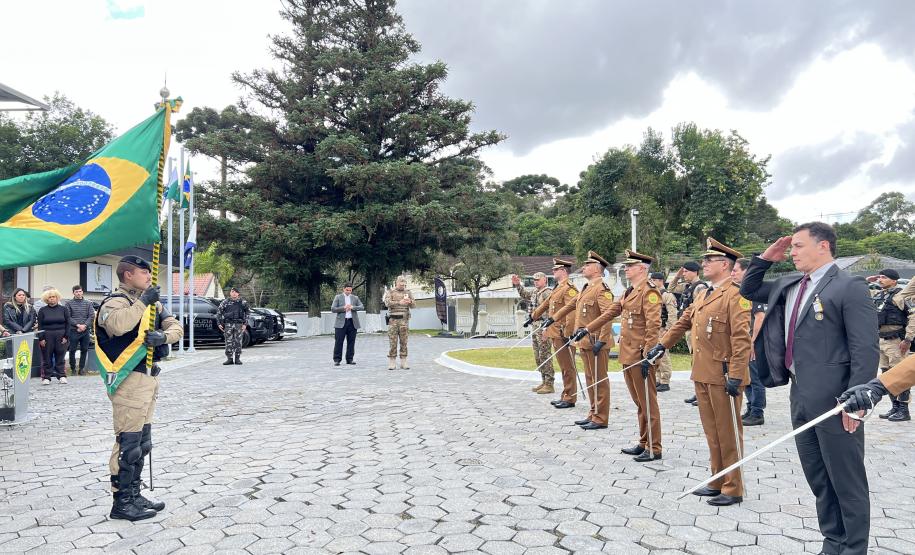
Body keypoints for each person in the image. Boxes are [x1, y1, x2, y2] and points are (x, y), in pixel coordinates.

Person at [740, 223, 878, 555]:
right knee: (818, 476)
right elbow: (749, 289)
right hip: (800, 394)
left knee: (846, 480)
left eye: (799, 246)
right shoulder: (790, 284)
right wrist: (765, 258)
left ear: (824, 246)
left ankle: (853, 548)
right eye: (791, 248)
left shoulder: (848, 286)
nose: (793, 252)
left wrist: (858, 401)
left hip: (837, 400)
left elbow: (865, 348)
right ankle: (833, 542)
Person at [648, 239, 750, 505]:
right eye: (704, 260)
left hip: (725, 374)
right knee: (712, 431)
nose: (703, 264)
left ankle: (733, 487)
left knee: (728, 432)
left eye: (709, 260)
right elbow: (683, 322)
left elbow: (741, 338)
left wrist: (737, 374)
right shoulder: (704, 293)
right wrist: (661, 345)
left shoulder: (736, 294)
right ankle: (717, 479)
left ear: (725, 264)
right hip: (703, 372)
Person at [95, 255, 183, 521]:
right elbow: (119, 325)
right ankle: (121, 503)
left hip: (148, 379)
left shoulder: (151, 303)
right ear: (128, 276)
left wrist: (163, 337)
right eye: (143, 273)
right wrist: (145, 301)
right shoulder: (116, 302)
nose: (149, 276)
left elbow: (176, 326)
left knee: (143, 442)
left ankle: (134, 494)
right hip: (128, 380)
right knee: (128, 443)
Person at [579, 250, 662, 461]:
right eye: (626, 266)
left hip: (640, 355)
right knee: (639, 402)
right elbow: (609, 313)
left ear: (642, 268)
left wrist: (649, 355)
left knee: (647, 403)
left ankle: (654, 447)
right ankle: (644, 442)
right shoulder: (629, 292)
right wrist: (587, 329)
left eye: (630, 266)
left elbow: (654, 325)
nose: (626, 269)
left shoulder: (649, 292)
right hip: (627, 354)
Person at [545, 251, 614, 430]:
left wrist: (603, 339)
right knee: (591, 379)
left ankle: (601, 417)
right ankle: (593, 413)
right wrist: (552, 319)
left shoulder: (602, 289)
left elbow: (608, 315)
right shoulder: (586, 287)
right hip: (585, 341)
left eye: (588, 265)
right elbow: (569, 306)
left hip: (596, 341)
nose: (584, 267)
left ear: (598, 269)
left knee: (599, 379)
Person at [865, 269, 915, 421]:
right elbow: (858, 292)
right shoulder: (879, 295)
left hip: (896, 342)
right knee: (887, 374)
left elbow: (913, 316)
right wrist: (868, 280)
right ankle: (894, 407)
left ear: (894, 280)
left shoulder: (901, 296)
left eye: (884, 277)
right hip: (881, 340)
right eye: (879, 277)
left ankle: (903, 410)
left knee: (900, 375)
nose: (880, 280)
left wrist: (908, 339)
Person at [530, 258, 579, 408]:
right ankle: (566, 394)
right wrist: (534, 315)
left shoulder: (569, 288)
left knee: (568, 367)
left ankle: (570, 397)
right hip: (556, 332)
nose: (552, 272)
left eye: (555, 269)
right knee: (564, 367)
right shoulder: (558, 287)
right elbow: (547, 305)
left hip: (563, 333)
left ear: (563, 271)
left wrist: (568, 333)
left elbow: (572, 311)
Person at [732, 258, 767, 426]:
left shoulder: (755, 290)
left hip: (754, 342)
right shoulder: (741, 291)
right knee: (746, 377)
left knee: (755, 378)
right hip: (745, 342)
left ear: (746, 271)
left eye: (735, 270)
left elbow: (760, 317)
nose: (732, 273)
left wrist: (753, 341)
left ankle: (757, 412)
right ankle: (751, 406)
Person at [671, 261, 708, 406]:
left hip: (695, 329)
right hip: (688, 329)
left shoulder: (700, 287)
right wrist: (677, 275)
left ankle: (703, 393)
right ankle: (698, 391)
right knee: (695, 362)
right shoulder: (687, 286)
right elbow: (672, 288)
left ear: (694, 272)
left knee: (700, 362)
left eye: (686, 271)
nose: (684, 273)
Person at [513, 272, 554, 393]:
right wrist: (518, 285)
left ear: (545, 279)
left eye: (538, 280)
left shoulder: (548, 293)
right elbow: (525, 294)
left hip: (543, 326)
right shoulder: (535, 292)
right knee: (538, 355)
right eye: (534, 280)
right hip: (535, 326)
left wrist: (548, 328)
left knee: (545, 354)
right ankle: (543, 381)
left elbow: (552, 311)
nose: (535, 282)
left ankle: (549, 383)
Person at [649, 272, 678, 392]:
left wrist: (668, 330)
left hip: (663, 328)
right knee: (656, 354)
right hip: (655, 328)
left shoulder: (667, 295)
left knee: (663, 355)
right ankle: (658, 379)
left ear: (660, 281)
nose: (652, 283)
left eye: (654, 280)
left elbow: (672, 314)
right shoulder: (653, 294)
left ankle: (665, 380)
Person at [37, 288, 70, 385]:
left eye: (54, 297)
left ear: (57, 298)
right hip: (47, 336)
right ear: (46, 299)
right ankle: (47, 377)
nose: (52, 299)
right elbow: (40, 325)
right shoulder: (42, 310)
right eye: (50, 297)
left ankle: (62, 376)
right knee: (47, 357)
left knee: (60, 356)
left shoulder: (64, 309)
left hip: (61, 336)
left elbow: (68, 323)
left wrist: (66, 337)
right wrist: (41, 338)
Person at [383, 276, 415, 370]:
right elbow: (387, 303)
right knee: (393, 342)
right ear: (396, 283)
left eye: (404, 284)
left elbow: (414, 305)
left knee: (404, 341)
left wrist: (410, 302)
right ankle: (392, 361)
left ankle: (403, 361)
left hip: (404, 320)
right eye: (401, 284)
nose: (402, 286)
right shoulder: (391, 292)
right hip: (393, 320)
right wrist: (399, 302)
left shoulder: (408, 292)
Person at [331, 283, 364, 366]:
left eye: (350, 290)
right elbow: (333, 309)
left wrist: (353, 307)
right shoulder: (338, 297)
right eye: (347, 290)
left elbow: (361, 306)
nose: (348, 292)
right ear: (343, 289)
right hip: (341, 323)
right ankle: (337, 359)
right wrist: (343, 308)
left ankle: (350, 359)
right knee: (339, 341)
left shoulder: (355, 298)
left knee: (351, 342)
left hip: (352, 322)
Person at [66, 285, 95, 376]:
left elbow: (91, 316)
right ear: (73, 293)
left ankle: (81, 369)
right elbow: (68, 317)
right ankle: (73, 368)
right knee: (72, 350)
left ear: (82, 292)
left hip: (85, 330)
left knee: (84, 349)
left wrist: (85, 326)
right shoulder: (69, 303)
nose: (78, 293)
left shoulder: (88, 303)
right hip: (73, 330)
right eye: (76, 292)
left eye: (80, 291)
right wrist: (77, 325)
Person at [216, 287, 250, 366]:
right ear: (230, 293)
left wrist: (245, 324)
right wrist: (219, 323)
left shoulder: (243, 302)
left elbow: (248, 312)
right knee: (228, 342)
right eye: (232, 292)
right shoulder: (225, 302)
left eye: (235, 292)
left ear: (238, 293)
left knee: (238, 341)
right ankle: (229, 359)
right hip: (228, 324)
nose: (234, 293)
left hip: (239, 324)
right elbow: (219, 312)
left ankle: (237, 358)